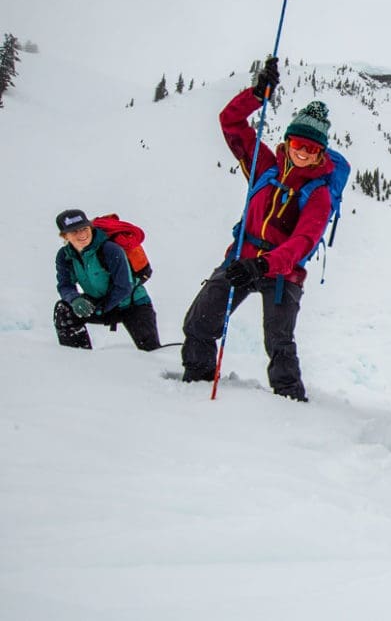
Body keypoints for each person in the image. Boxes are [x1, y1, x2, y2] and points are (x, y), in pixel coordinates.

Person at [181, 57, 339, 402]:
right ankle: (194, 385)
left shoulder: (320, 193)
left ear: (320, 154)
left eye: (311, 149)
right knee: (200, 322)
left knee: (279, 342)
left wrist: (265, 264)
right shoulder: (264, 165)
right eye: (298, 145)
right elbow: (231, 122)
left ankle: (289, 403)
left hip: (282, 272)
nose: (302, 153)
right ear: (288, 143)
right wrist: (257, 94)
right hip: (242, 257)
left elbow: (303, 241)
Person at [53, 209, 160, 351]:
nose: (82, 234)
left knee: (151, 353)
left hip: (132, 305)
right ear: (65, 236)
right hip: (98, 304)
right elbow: (65, 285)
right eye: (74, 232)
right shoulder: (64, 256)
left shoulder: (110, 249)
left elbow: (124, 286)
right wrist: (74, 299)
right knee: (64, 309)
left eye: (84, 228)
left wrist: (100, 308)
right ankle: (79, 361)